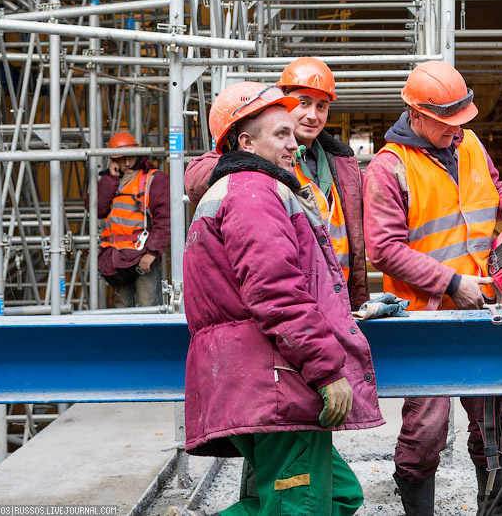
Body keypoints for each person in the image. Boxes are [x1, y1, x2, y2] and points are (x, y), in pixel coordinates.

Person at [180, 81, 383, 516]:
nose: (295, 144)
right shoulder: (253, 189)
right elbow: (276, 291)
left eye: (294, 133)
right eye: (281, 135)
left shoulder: (234, 191)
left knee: (338, 495)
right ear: (245, 142)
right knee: (301, 508)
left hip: (252, 378)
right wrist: (328, 371)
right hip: (275, 378)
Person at [362, 60, 502, 516]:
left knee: (495, 423)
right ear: (415, 115)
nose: (456, 131)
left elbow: (490, 193)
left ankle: (494, 510)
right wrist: (451, 282)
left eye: (461, 121)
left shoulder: (470, 144)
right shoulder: (390, 168)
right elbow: (382, 249)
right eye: (446, 124)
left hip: (483, 308)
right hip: (424, 318)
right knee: (426, 429)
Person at [185, 57, 369, 310]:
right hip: (292, 301)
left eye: (321, 106)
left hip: (339, 300)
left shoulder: (342, 163)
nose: (312, 115)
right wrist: (253, 162)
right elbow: (196, 177)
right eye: (303, 103)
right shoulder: (255, 150)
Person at [96, 131, 170, 308]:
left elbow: (165, 219)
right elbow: (98, 209)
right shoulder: (110, 180)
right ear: (113, 160)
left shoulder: (153, 179)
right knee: (122, 309)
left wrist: (152, 253)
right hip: (116, 258)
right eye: (121, 159)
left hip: (142, 256)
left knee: (148, 306)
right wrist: (110, 179)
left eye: (130, 157)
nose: (127, 163)